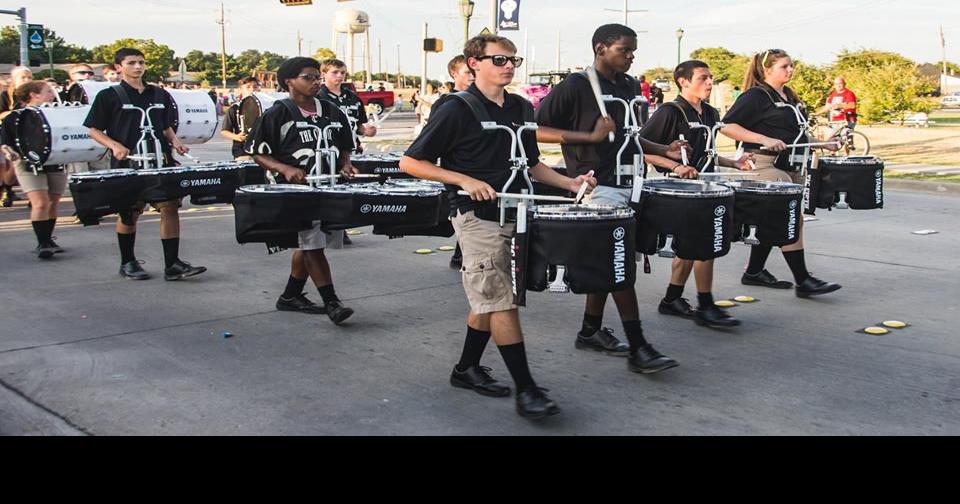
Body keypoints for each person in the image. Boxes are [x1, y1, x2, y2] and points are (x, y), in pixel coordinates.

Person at [401, 34, 598, 419]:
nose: (509, 66)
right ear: (474, 63)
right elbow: (411, 162)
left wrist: (568, 183)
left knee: (489, 296)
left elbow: (532, 162)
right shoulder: (456, 108)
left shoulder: (522, 107)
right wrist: (462, 180)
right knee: (502, 299)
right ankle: (527, 389)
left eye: (513, 60)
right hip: (477, 218)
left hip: (518, 212)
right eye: (499, 59)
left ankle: (466, 369)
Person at [535, 24, 684, 374]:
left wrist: (665, 149)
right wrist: (588, 135)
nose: (631, 56)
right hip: (596, 184)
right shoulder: (576, 85)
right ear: (601, 48)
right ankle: (638, 345)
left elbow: (628, 137)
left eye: (633, 51)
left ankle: (590, 330)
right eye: (624, 50)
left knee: (611, 261)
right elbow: (536, 129)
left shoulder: (630, 86)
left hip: (631, 183)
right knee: (619, 265)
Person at [640, 60, 755, 328]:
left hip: (706, 188)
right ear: (683, 82)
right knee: (703, 245)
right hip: (680, 191)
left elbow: (709, 153)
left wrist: (733, 162)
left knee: (693, 248)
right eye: (703, 78)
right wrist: (677, 166)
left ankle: (672, 299)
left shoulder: (711, 114)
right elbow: (641, 149)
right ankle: (705, 304)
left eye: (711, 77)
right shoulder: (670, 112)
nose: (709, 82)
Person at [244, 57, 357, 325]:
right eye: (308, 77)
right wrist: (284, 169)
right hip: (295, 192)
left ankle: (290, 295)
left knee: (309, 243)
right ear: (289, 82)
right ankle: (332, 303)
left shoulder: (331, 110)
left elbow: (345, 144)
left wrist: (346, 163)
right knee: (312, 244)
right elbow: (257, 153)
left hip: (328, 188)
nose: (316, 82)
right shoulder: (277, 113)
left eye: (317, 77)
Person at [720, 49, 841, 298]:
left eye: (791, 65)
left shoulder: (789, 96)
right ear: (767, 70)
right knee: (790, 217)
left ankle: (753, 272)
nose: (790, 70)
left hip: (791, 163)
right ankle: (803, 280)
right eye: (784, 66)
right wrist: (762, 138)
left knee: (776, 218)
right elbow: (727, 125)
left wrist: (822, 144)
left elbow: (794, 135)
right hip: (762, 163)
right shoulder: (756, 95)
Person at [85, 47, 206, 282]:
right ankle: (128, 262)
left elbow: (165, 125)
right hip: (129, 164)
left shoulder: (159, 94)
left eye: (141, 62)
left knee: (170, 207)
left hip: (161, 162)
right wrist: (114, 145)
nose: (138, 67)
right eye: (131, 63)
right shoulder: (108, 96)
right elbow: (94, 130)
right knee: (130, 212)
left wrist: (175, 141)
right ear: (119, 67)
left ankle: (173, 264)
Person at [1, 81, 68, 258]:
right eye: (48, 91)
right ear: (33, 95)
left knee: (53, 202)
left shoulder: (57, 114)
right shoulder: (14, 117)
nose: (53, 95)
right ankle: (42, 242)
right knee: (40, 203)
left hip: (55, 161)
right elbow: (5, 143)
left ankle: (48, 237)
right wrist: (9, 153)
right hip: (27, 162)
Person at [440, 54, 475, 271]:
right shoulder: (449, 103)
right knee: (462, 213)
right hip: (458, 173)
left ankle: (460, 253)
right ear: (454, 74)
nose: (472, 77)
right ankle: (462, 254)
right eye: (467, 72)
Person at [318, 59, 377, 154]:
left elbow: (358, 126)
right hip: (327, 152)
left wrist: (366, 131)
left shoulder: (354, 98)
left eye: (342, 72)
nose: (340, 75)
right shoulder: (317, 98)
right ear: (323, 74)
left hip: (353, 151)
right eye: (335, 72)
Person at [0, 66, 31, 206]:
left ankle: (32, 194)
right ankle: (7, 189)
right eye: (23, 77)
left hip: (30, 132)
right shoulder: (6, 95)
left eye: (29, 77)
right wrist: (16, 113)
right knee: (12, 165)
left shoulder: (34, 93)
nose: (27, 80)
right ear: (14, 79)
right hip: (9, 132)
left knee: (31, 164)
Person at [221, 76, 261, 161]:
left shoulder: (263, 106)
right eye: (248, 87)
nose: (252, 89)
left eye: (255, 87)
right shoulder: (235, 108)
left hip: (262, 152)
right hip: (242, 152)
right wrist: (237, 137)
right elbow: (224, 131)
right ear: (241, 89)